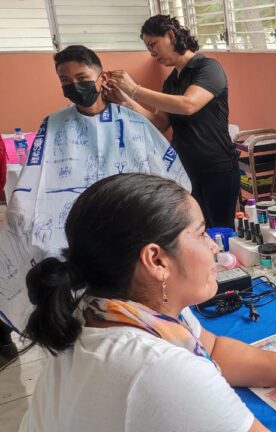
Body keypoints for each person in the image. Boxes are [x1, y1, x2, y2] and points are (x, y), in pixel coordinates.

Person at [21, 173, 276, 432]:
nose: (214, 248)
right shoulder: (157, 366)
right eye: (202, 234)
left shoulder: (114, 306)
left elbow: (212, 347)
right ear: (157, 260)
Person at [0, 45, 189, 337]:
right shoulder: (53, 124)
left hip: (127, 218)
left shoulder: (133, 120)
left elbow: (169, 175)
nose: (74, 85)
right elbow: (33, 181)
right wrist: (20, 211)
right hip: (72, 221)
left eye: (81, 77)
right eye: (65, 80)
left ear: (100, 75)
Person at [105, 15, 240, 229]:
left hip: (217, 168)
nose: (152, 53)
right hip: (184, 168)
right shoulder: (171, 81)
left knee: (221, 231)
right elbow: (159, 123)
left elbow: (188, 105)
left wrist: (135, 90)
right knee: (193, 230)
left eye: (153, 44)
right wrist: (126, 100)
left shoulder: (208, 68)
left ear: (170, 35)